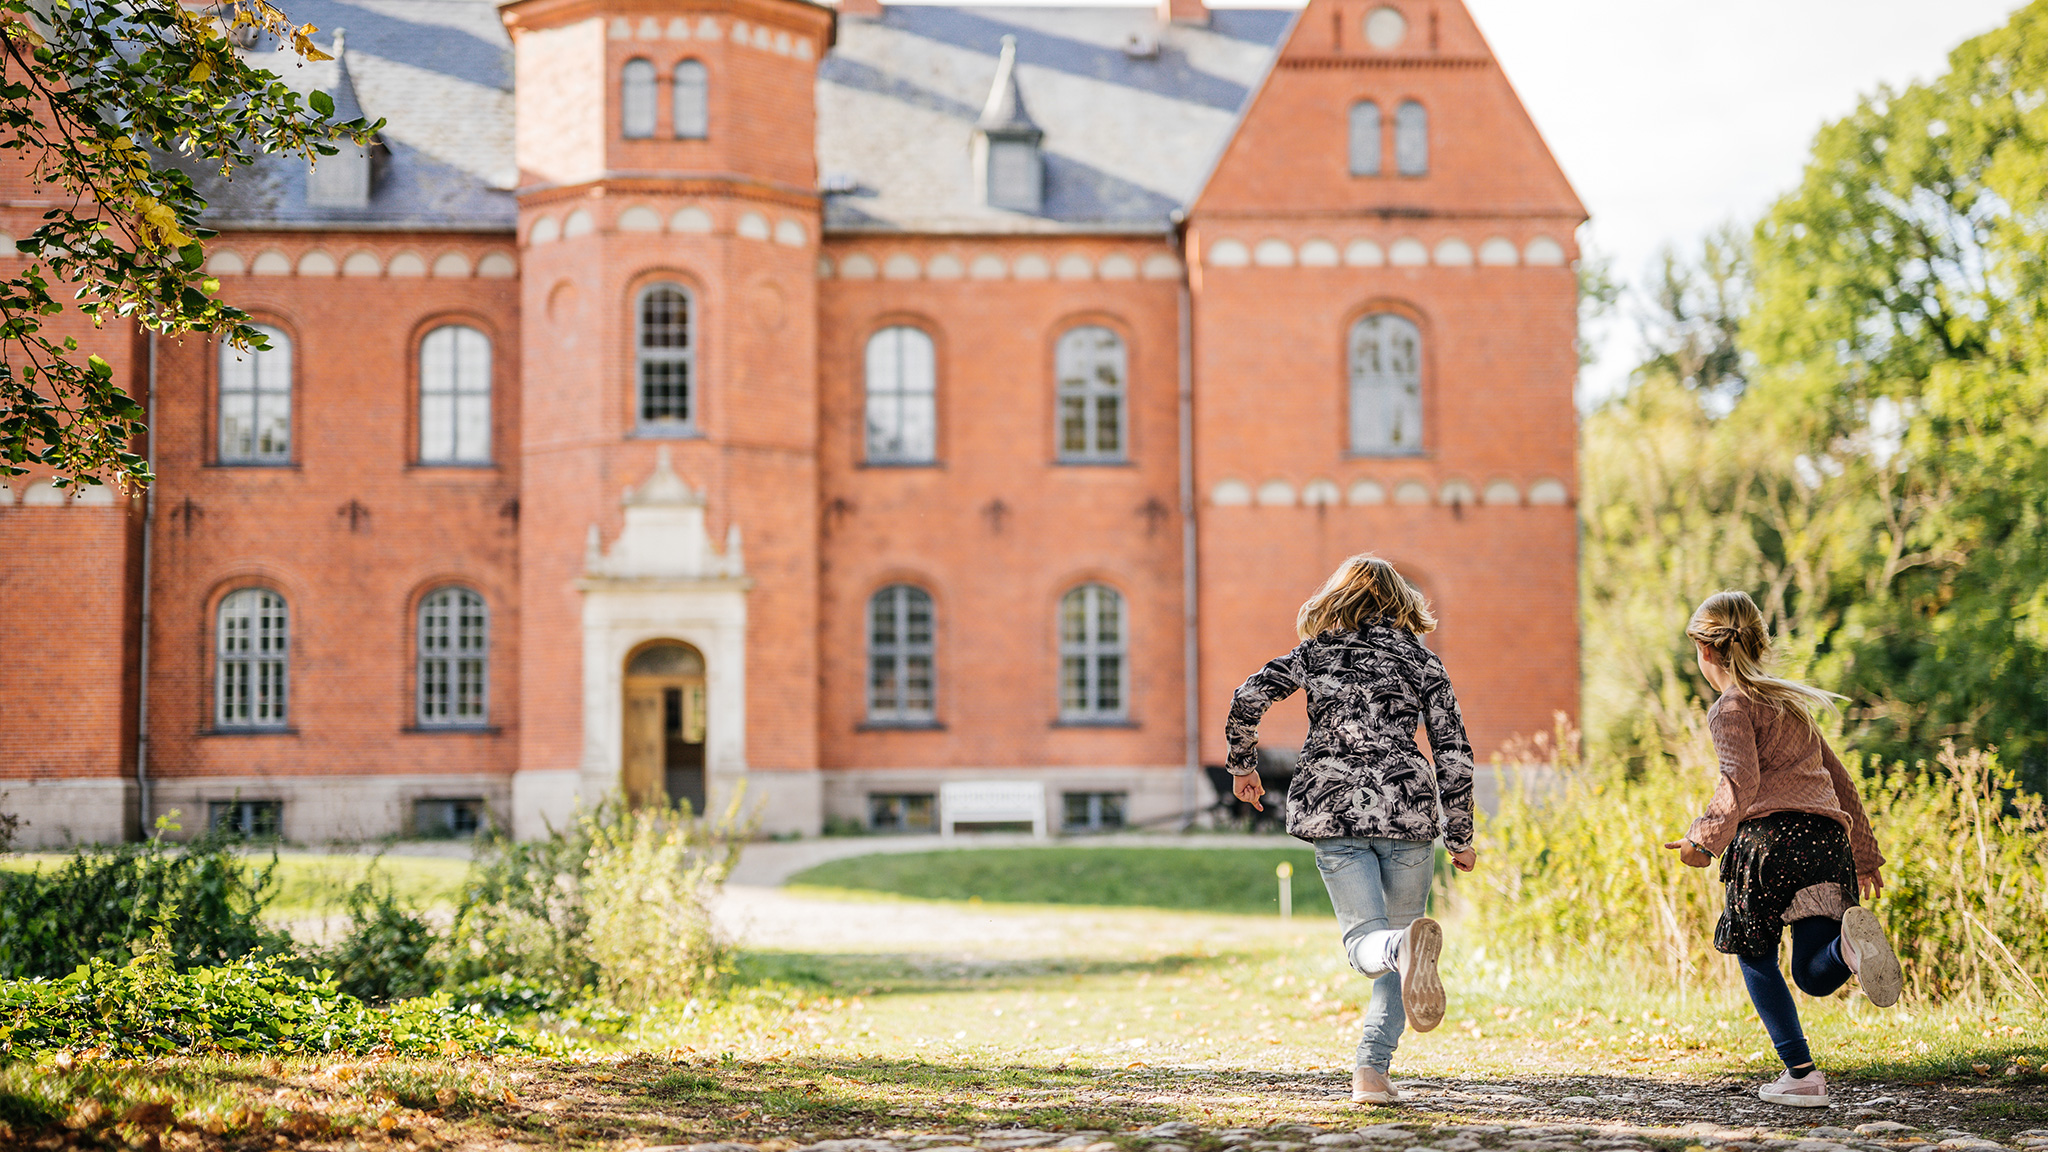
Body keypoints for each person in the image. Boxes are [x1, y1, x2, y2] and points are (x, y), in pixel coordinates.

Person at [1224, 554, 1477, 1105]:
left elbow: (1247, 698)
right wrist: (1460, 833)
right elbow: (1453, 749)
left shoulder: (1315, 653)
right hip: (1408, 814)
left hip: (1334, 811)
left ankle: (1395, 966)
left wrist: (1242, 766)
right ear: (1402, 602)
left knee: (1368, 943)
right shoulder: (1422, 660)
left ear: (1337, 600)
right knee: (1401, 957)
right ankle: (1371, 1072)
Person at [1664, 590, 1903, 1108]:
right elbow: (1841, 781)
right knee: (1813, 972)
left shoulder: (1730, 707)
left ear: (1706, 650)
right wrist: (1864, 854)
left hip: (1770, 845)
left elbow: (1741, 782)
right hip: (1827, 842)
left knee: (1754, 954)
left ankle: (1802, 1074)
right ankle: (1850, 949)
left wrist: (1702, 840)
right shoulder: (1789, 705)